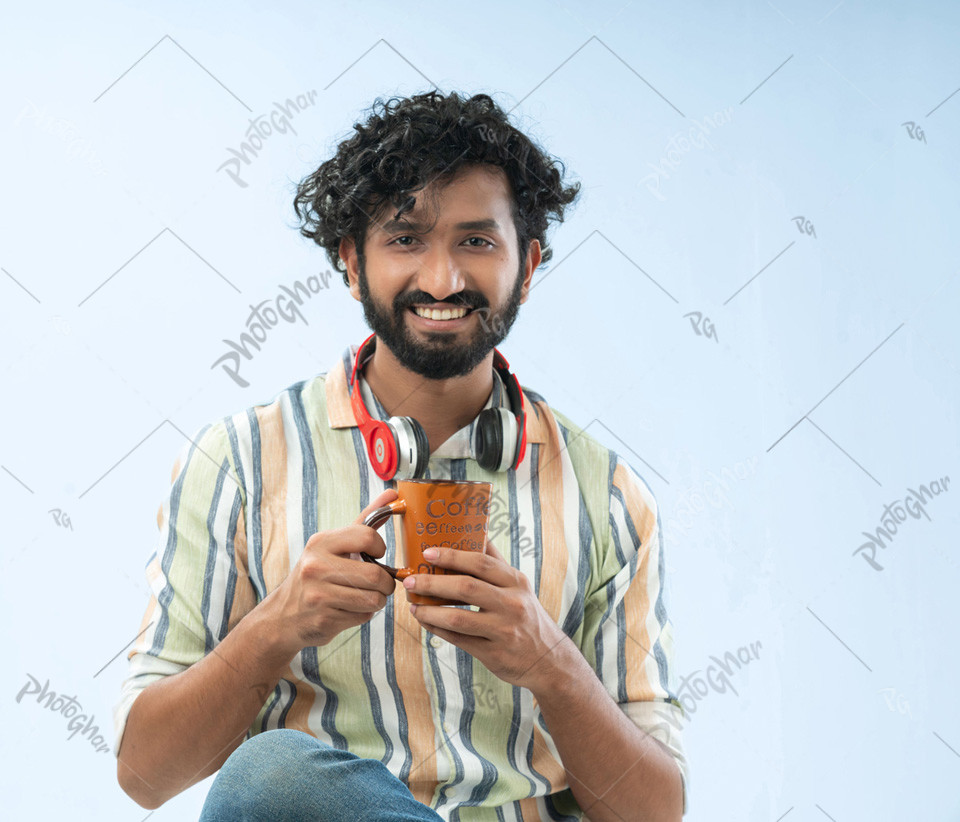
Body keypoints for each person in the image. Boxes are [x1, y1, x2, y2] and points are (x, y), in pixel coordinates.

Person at [113, 90, 688, 821]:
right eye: (406, 239)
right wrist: (278, 624)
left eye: (477, 242)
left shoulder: (606, 493)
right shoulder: (239, 462)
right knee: (275, 776)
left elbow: (654, 814)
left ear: (528, 264)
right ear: (352, 261)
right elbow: (145, 776)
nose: (442, 280)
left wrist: (552, 665)